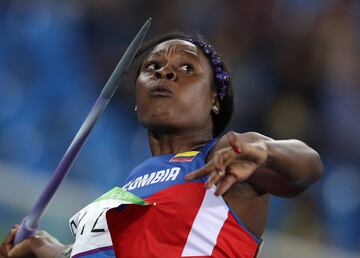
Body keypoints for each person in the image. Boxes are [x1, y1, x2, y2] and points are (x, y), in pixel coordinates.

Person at [0, 32, 324, 258]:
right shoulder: (127, 189)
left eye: (187, 68)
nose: (165, 72)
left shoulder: (224, 159)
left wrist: (267, 152)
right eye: (152, 68)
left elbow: (308, 166)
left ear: (213, 99)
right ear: (137, 100)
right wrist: (44, 249)